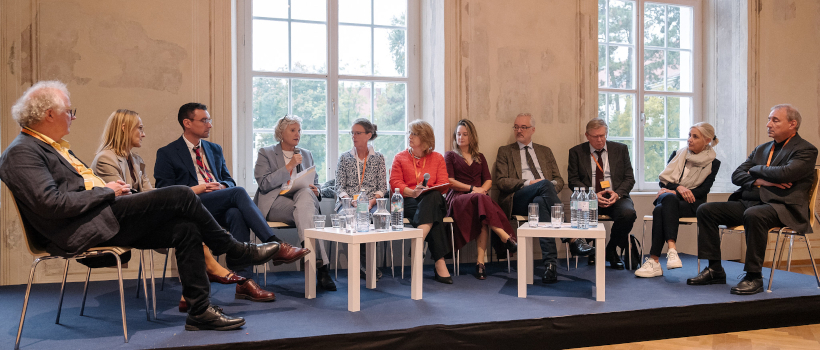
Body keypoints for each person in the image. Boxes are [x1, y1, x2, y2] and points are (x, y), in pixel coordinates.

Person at [0, 81, 283, 331]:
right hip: (80, 228)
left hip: (100, 217)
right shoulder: (22, 152)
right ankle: (233, 248)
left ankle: (200, 312)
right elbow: (51, 205)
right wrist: (108, 192)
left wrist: (113, 192)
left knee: (185, 228)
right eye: (69, 111)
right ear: (49, 114)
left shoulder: (55, 147)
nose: (72, 117)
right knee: (182, 194)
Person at [92, 109, 254, 312]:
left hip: (140, 218)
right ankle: (226, 256)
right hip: (120, 225)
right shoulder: (105, 159)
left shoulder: (136, 160)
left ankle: (194, 295)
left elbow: (151, 194)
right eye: (140, 128)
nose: (143, 134)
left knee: (190, 223)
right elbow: (123, 201)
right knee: (191, 203)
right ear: (124, 128)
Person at [154, 103, 310, 301]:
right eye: (204, 120)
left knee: (236, 214)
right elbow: (165, 192)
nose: (210, 125)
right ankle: (275, 245)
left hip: (216, 203)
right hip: (191, 205)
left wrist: (221, 186)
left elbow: (229, 180)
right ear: (187, 123)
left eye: (209, 120)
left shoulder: (214, 149)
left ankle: (244, 283)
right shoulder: (167, 153)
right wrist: (201, 188)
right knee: (238, 193)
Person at [688, 105, 817, 295]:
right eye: (768, 119)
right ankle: (715, 269)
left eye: (775, 120)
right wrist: (761, 180)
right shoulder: (761, 149)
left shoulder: (806, 149)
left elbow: (785, 173)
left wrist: (755, 170)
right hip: (751, 202)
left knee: (754, 215)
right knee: (706, 210)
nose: (768, 124)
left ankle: (754, 276)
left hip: (782, 206)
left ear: (793, 124)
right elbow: (737, 175)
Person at [495, 113, 593, 284]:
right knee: (544, 184)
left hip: (541, 199)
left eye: (523, 127)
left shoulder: (545, 151)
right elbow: (502, 182)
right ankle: (572, 238)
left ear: (533, 130)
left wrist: (547, 188)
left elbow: (560, 180)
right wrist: (530, 183)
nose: (519, 130)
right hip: (518, 198)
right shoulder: (505, 151)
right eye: (516, 127)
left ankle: (550, 267)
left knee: (540, 202)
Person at [253, 115, 335, 291]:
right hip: (275, 203)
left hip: (301, 201)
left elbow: (315, 180)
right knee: (308, 215)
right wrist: (289, 166)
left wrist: (317, 190)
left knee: (306, 195)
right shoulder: (265, 153)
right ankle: (322, 269)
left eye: (299, 130)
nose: (297, 134)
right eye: (293, 130)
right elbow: (264, 184)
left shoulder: (306, 153)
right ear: (281, 133)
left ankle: (308, 252)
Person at [635, 122, 721, 278]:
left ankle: (654, 261)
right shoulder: (678, 153)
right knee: (668, 198)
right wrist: (678, 188)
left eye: (695, 137)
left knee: (660, 209)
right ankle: (672, 249)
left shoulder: (713, 163)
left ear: (707, 140)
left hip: (693, 204)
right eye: (689, 135)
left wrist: (676, 191)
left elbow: (703, 191)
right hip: (670, 198)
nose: (689, 140)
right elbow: (663, 181)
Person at [445, 119, 517, 280]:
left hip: (479, 199)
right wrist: (473, 189)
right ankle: (505, 237)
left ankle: (480, 263)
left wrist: (482, 189)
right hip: (458, 198)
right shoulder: (450, 155)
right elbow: (450, 181)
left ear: (472, 137)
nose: (461, 137)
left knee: (483, 215)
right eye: (458, 134)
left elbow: (489, 180)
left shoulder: (480, 157)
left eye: (465, 134)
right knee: (481, 201)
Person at [567, 118, 637, 270]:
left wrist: (617, 194)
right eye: (595, 136)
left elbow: (629, 178)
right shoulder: (576, 152)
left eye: (602, 135)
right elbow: (573, 181)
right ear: (587, 135)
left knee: (628, 213)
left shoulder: (621, 149)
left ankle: (610, 250)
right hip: (589, 197)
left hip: (616, 197)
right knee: (581, 211)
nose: (599, 140)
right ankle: (592, 250)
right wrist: (592, 194)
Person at [390, 120, 453, 284]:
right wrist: (412, 191)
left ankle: (419, 239)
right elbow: (395, 183)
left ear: (425, 140)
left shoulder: (437, 158)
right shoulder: (400, 157)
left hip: (433, 200)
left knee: (432, 199)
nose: (409, 136)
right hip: (408, 201)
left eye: (414, 134)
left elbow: (444, 185)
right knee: (433, 217)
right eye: (410, 133)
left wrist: (427, 191)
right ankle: (440, 263)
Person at [334, 118, 388, 280]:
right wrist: (351, 201)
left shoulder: (378, 158)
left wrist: (370, 202)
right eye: (352, 133)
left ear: (368, 135)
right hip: (348, 203)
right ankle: (364, 265)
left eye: (358, 133)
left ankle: (365, 263)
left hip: (370, 203)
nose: (354, 136)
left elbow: (382, 187)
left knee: (374, 216)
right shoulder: (344, 158)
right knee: (354, 215)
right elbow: (339, 187)